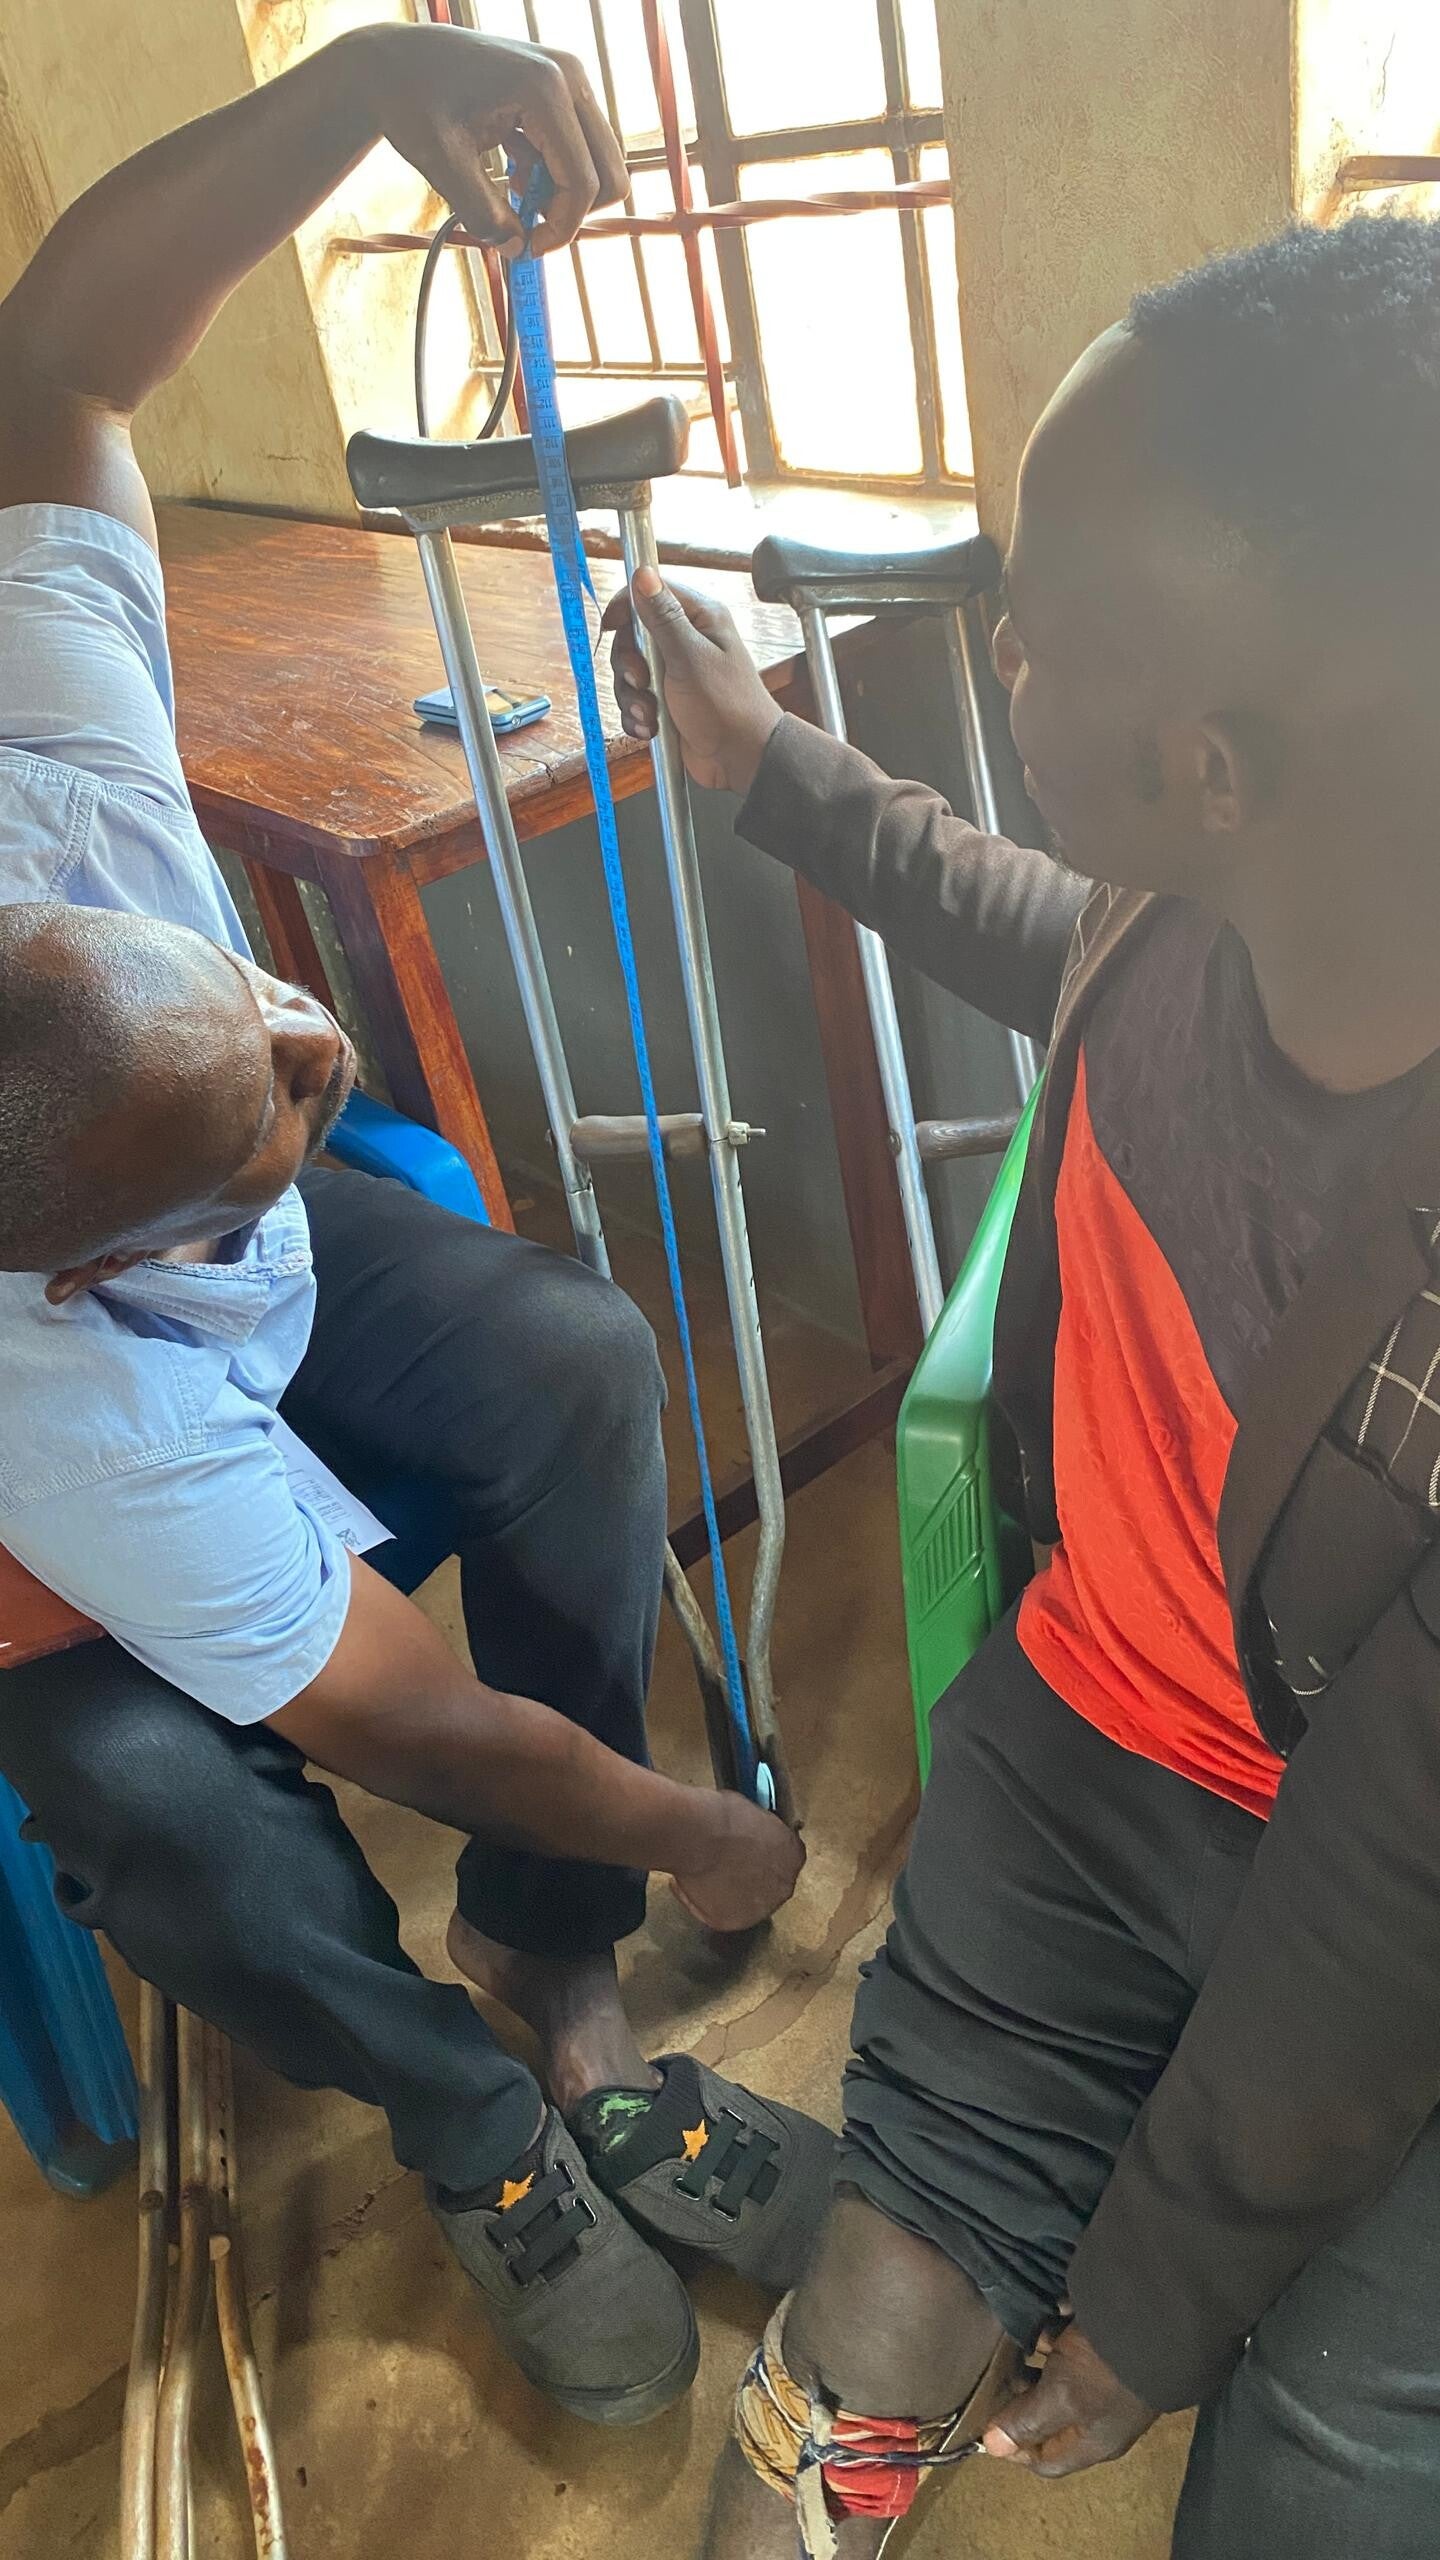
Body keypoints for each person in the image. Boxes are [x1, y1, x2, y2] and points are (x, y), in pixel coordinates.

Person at [0, 21, 836, 2430]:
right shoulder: (57, 1392)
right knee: (176, 1817)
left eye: (250, 1008)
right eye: (267, 1114)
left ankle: (548, 1960)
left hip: (168, 1277)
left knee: (571, 1357)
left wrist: (366, 77)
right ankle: (475, 2119)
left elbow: (56, 364)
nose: (319, 1048)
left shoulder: (42, 745)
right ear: (84, 1259)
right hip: (47, 1505)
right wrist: (713, 1834)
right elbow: (412, 1712)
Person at [609, 215, 1440, 2555]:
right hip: (1096, 1769)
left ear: (1209, 766)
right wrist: (774, 768)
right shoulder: (1200, 917)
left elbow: (1381, 1909)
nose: (1000, 656)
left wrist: (1155, 2301)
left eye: (1036, 625)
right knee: (848, 2371)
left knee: (1318, 2466)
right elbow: (1033, 916)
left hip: (1391, 1915)